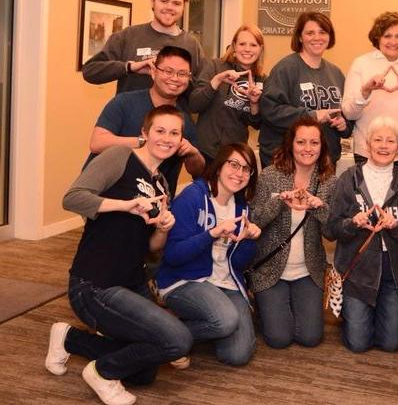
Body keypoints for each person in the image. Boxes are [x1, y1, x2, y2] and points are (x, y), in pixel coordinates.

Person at [45, 105, 192, 405]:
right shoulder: (120, 157)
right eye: (160, 131)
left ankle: (70, 339)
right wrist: (125, 205)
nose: (166, 138)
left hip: (131, 281)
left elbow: (151, 249)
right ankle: (101, 372)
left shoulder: (161, 183)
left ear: (180, 140)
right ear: (144, 133)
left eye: (174, 133)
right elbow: (73, 198)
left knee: (145, 372)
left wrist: (163, 228)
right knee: (178, 340)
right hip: (95, 283)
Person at [155, 142, 261, 366]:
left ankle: (192, 326)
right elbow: (173, 255)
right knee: (226, 320)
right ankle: (161, 335)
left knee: (238, 354)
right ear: (220, 166)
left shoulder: (242, 207)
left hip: (225, 282)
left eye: (246, 168)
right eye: (234, 164)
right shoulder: (193, 196)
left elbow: (238, 264)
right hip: (185, 279)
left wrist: (250, 241)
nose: (239, 173)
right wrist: (211, 233)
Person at [327, 117, 398, 353]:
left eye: (391, 141)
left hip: (393, 273)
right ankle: (354, 313)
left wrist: (395, 226)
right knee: (357, 344)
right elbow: (331, 229)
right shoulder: (348, 178)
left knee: (390, 344)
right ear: (367, 144)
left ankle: (375, 313)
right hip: (357, 271)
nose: (384, 145)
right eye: (378, 139)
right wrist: (353, 223)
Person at [247, 116, 336, 348]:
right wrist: (278, 202)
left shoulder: (328, 181)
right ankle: (266, 306)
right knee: (279, 339)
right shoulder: (270, 175)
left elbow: (332, 233)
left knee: (310, 337)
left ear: (322, 146)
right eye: (301, 142)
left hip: (308, 270)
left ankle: (284, 307)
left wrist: (319, 206)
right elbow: (254, 222)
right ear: (291, 144)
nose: (307, 149)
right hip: (270, 268)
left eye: (314, 143)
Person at [87, 45, 204, 195]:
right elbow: (97, 143)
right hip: (107, 193)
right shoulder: (124, 102)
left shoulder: (183, 119)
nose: (174, 78)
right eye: (168, 71)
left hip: (155, 203)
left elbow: (197, 170)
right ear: (154, 72)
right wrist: (146, 142)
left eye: (182, 74)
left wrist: (193, 153)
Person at [259, 12, 352, 167]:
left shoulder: (336, 73)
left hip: (324, 162)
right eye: (310, 33)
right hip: (287, 161)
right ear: (300, 37)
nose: (317, 37)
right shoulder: (286, 68)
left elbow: (347, 116)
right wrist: (313, 115)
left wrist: (344, 125)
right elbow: (270, 110)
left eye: (322, 32)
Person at [82, 0, 205, 94]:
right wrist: (130, 67)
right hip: (131, 115)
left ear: (183, 7)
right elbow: (90, 71)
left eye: (176, 3)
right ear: (152, 2)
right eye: (164, 1)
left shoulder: (191, 44)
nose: (169, 7)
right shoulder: (128, 36)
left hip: (176, 114)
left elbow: (200, 90)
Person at [342, 12, 398, 176]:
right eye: (387, 36)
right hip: (368, 152)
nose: (393, 42)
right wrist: (365, 90)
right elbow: (349, 113)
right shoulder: (361, 64)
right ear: (378, 38)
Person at [189, 25, 266, 166]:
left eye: (253, 45)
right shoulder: (214, 66)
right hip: (205, 152)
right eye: (242, 44)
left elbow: (257, 124)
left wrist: (254, 103)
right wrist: (216, 81)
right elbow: (194, 104)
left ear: (260, 49)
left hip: (234, 156)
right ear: (234, 46)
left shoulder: (261, 80)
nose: (247, 49)